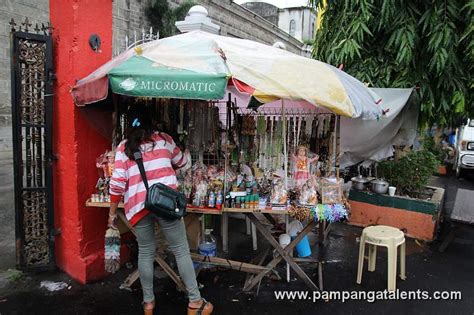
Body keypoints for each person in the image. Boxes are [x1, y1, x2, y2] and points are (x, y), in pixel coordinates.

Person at [108, 108, 213, 315]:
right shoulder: (164, 140)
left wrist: (111, 214)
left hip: (139, 206)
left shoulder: (122, 148)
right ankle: (194, 301)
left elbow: (117, 184)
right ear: (153, 125)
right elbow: (182, 163)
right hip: (166, 205)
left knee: (146, 252)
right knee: (181, 250)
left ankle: (148, 303)